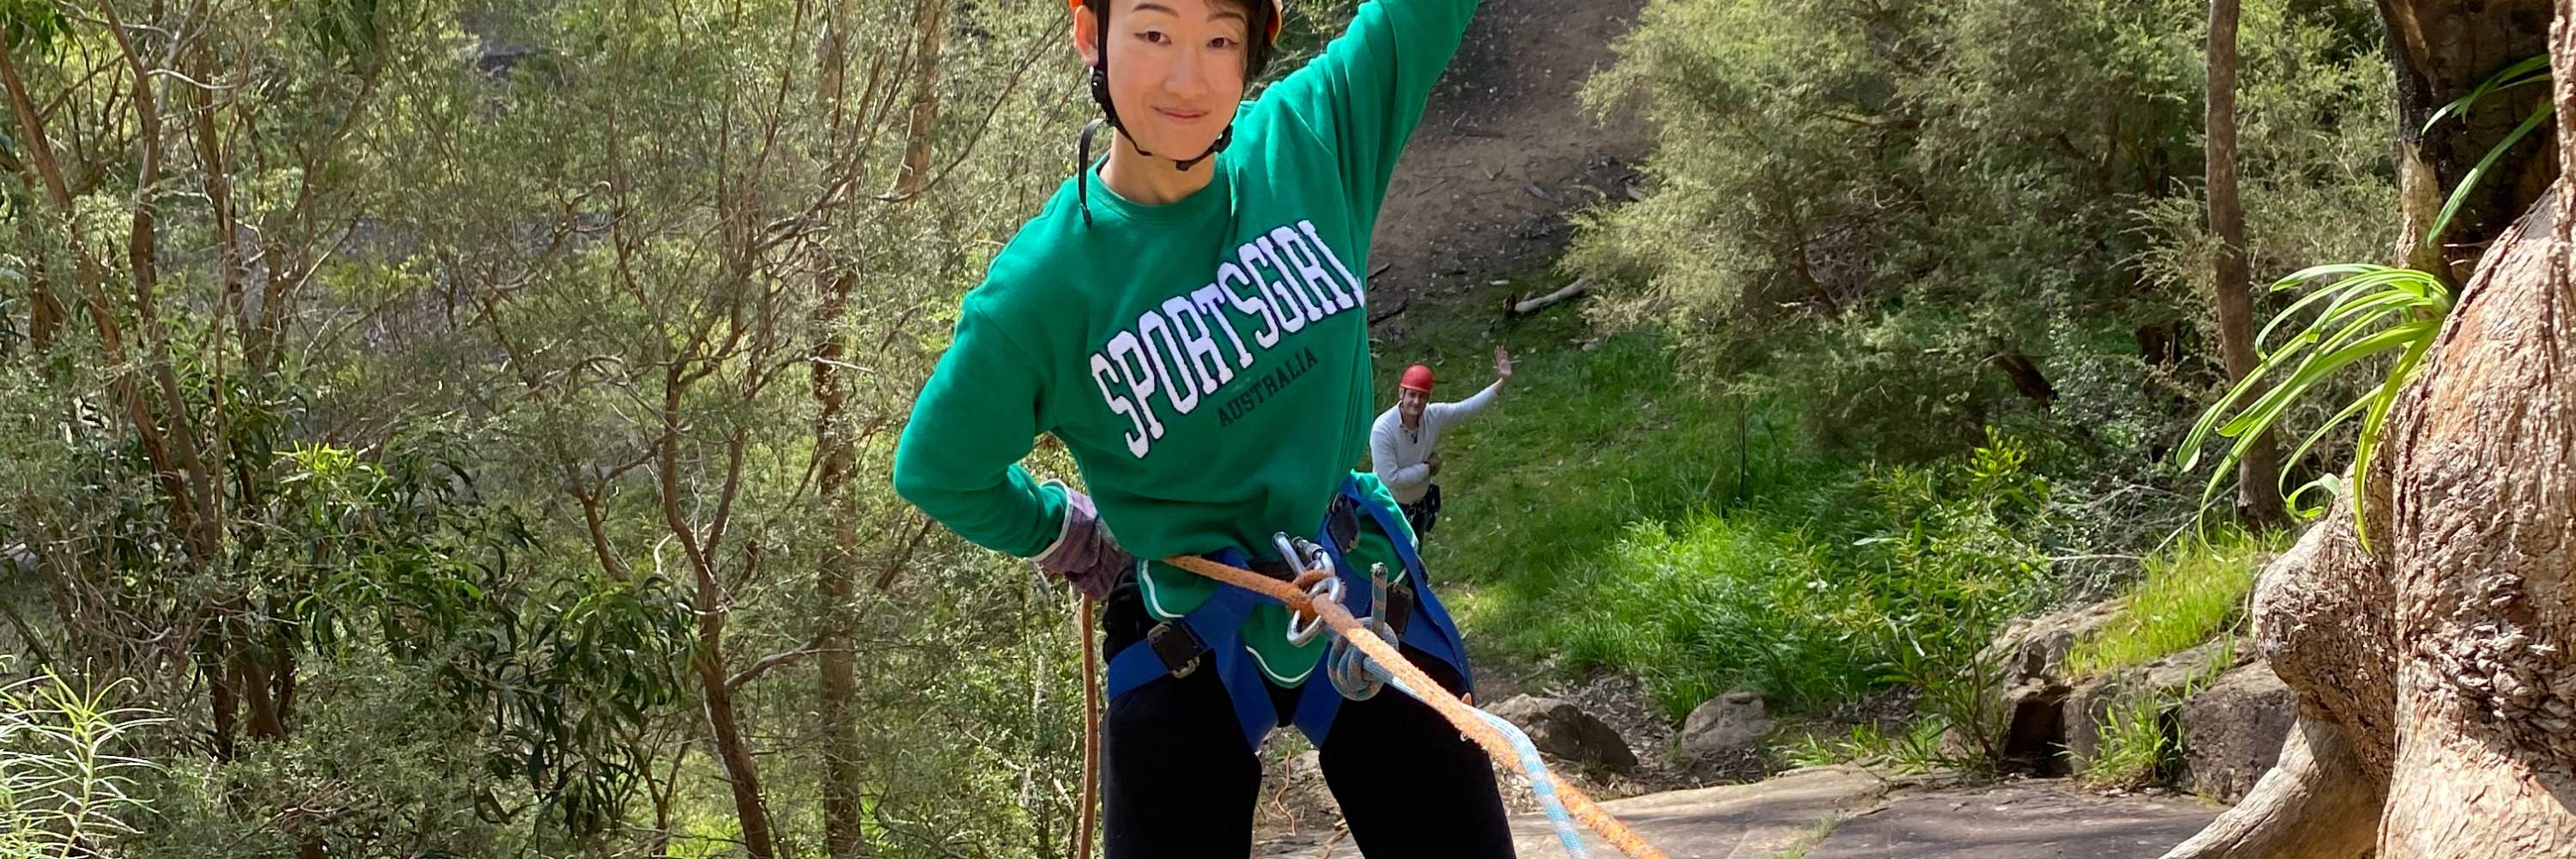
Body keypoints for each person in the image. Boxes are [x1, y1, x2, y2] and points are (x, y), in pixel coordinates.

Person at [888, 0, 1510, 856]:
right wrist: (1063, 531)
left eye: (1220, 38)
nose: (1189, 78)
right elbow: (939, 465)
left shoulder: (1312, 139)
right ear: (1088, 33)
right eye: (1153, 33)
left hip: (1356, 591)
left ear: (1256, 43)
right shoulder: (1042, 289)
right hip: (1186, 629)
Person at [1371, 346, 1510, 538]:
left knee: (1415, 557)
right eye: (1412, 394)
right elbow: (1391, 479)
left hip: (1418, 507)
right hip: (1388, 510)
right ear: (1401, 393)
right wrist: (1428, 468)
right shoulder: (1382, 430)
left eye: (1422, 396)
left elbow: (1468, 408)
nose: (1416, 401)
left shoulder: (1433, 415)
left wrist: (1502, 382)